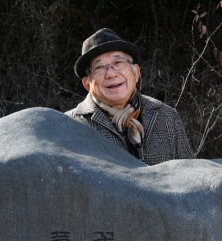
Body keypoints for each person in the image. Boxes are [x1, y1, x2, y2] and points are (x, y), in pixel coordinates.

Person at [66, 28, 195, 166]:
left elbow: (191, 177)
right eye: (99, 67)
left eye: (118, 63)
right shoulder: (68, 126)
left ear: (136, 73)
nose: (111, 74)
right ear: (87, 84)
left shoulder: (166, 116)